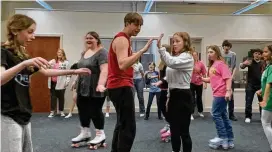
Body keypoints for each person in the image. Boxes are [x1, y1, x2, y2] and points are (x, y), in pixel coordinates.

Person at [1, 14, 91, 152]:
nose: (33, 36)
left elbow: (47, 72)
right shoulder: (3, 52)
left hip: (23, 112)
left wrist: (74, 72)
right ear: (15, 31)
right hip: (8, 114)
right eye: (30, 32)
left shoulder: (22, 54)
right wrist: (24, 64)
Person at [107, 12, 154, 152]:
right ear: (127, 23)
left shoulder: (124, 39)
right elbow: (122, 64)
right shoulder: (122, 39)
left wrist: (140, 51)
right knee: (128, 128)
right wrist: (142, 51)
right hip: (121, 86)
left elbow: (122, 61)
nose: (138, 28)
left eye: (140, 25)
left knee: (121, 125)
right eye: (136, 24)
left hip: (117, 86)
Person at [157, 32, 194, 152]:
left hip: (183, 96)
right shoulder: (177, 57)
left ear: (186, 43)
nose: (174, 44)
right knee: (174, 131)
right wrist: (168, 96)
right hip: (173, 95)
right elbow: (171, 75)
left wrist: (161, 49)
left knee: (184, 132)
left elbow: (171, 63)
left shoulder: (187, 57)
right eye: (173, 41)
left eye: (177, 41)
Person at [71, 31, 108, 148]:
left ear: (97, 39)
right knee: (82, 109)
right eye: (86, 38)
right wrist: (76, 82)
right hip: (82, 86)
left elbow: (105, 70)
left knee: (95, 110)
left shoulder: (102, 52)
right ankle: (85, 133)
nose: (88, 40)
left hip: (95, 86)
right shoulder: (84, 52)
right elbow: (81, 69)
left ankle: (100, 134)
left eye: (91, 38)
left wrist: (101, 84)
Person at [202, 45, 234, 150]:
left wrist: (228, 91)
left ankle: (223, 137)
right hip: (217, 93)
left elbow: (228, 78)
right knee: (223, 115)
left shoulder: (220, 64)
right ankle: (229, 140)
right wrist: (202, 78)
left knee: (215, 114)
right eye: (208, 52)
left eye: (211, 52)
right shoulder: (213, 65)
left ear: (216, 52)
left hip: (221, 93)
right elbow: (212, 79)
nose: (209, 54)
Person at [240, 48, 264, 123]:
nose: (257, 55)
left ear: (261, 55)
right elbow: (241, 66)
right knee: (248, 102)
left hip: (260, 85)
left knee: (262, 102)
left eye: (259, 54)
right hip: (250, 85)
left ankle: (262, 117)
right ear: (253, 54)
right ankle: (248, 116)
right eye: (256, 53)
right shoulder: (250, 61)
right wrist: (244, 64)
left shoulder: (263, 63)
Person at [153, 44, 171, 141]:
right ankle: (169, 123)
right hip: (162, 88)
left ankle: (170, 125)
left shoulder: (169, 62)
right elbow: (161, 75)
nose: (160, 53)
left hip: (168, 89)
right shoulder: (162, 62)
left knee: (166, 108)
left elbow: (167, 76)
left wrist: (161, 81)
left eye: (161, 51)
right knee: (162, 107)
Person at [48, 48, 71, 118]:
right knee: (53, 97)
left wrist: (67, 82)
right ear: (57, 54)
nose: (59, 54)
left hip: (62, 83)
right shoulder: (54, 62)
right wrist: (50, 62)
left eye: (61, 53)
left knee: (61, 97)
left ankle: (61, 111)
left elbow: (68, 73)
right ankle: (52, 111)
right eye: (58, 52)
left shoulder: (66, 63)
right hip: (53, 82)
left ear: (63, 54)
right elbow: (47, 67)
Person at [259, 45, 272, 152]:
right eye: (263, 52)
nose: (263, 54)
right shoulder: (268, 67)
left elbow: (269, 84)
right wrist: (261, 90)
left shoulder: (271, 67)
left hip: (270, 100)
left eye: (266, 52)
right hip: (269, 97)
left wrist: (264, 100)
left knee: (265, 123)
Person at [222, 40, 237, 121]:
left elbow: (234, 66)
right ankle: (221, 114)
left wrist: (232, 76)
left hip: (230, 78)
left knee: (231, 96)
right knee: (221, 96)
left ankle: (231, 114)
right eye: (225, 46)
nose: (227, 48)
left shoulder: (233, 54)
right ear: (223, 46)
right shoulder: (220, 54)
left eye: (228, 46)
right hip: (222, 79)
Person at [190, 51, 207, 120]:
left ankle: (200, 111)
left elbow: (204, 74)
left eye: (195, 55)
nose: (194, 56)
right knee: (192, 98)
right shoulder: (190, 64)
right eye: (193, 55)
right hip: (191, 83)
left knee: (199, 98)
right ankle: (191, 113)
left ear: (197, 56)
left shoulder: (201, 63)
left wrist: (205, 83)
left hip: (199, 83)